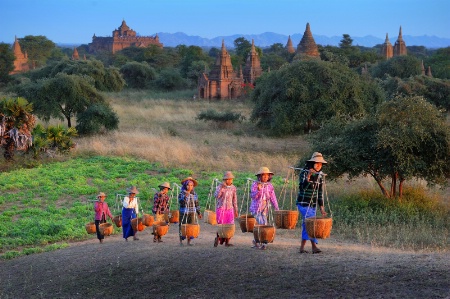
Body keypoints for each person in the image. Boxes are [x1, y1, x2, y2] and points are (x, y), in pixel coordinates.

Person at [296, 152, 328, 254]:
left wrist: (321, 207)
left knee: (307, 225)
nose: (319, 165)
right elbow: (302, 188)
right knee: (311, 224)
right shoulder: (304, 173)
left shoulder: (319, 176)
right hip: (303, 203)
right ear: (312, 163)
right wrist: (309, 176)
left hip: (313, 205)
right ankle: (314, 246)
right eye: (316, 163)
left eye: (320, 164)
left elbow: (319, 192)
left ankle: (302, 248)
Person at [250, 167, 279, 250]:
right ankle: (261, 242)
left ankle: (259, 241)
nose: (265, 177)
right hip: (256, 208)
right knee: (261, 224)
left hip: (264, 209)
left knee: (264, 224)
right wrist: (258, 190)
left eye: (267, 175)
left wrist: (276, 207)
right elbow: (252, 196)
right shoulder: (255, 184)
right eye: (263, 175)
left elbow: (272, 197)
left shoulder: (269, 186)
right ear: (259, 176)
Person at [214, 171, 239, 247]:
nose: (229, 181)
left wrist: (236, 210)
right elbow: (216, 196)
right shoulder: (220, 187)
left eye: (230, 179)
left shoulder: (233, 188)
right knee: (221, 225)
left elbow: (234, 200)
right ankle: (218, 238)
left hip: (230, 209)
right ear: (224, 180)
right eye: (227, 179)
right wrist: (222, 188)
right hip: (221, 209)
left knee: (229, 226)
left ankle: (227, 242)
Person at [178, 177, 202, 246]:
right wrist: (186, 195)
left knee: (191, 226)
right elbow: (181, 202)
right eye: (188, 185)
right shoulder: (182, 193)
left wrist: (199, 212)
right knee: (182, 226)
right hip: (184, 212)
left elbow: (196, 203)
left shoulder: (194, 194)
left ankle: (189, 242)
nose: (190, 187)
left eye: (191, 185)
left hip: (192, 212)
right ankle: (181, 241)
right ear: (185, 185)